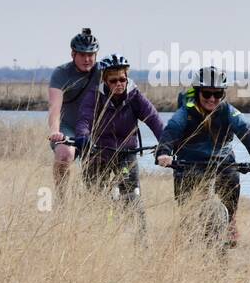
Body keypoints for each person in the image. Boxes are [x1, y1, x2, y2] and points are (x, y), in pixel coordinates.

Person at [155, 67, 250, 247]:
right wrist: (164, 153)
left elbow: (245, 130)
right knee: (187, 210)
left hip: (221, 160)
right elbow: (171, 130)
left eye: (218, 94)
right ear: (198, 92)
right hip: (189, 162)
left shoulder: (228, 111)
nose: (212, 99)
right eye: (207, 93)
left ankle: (230, 220)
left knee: (232, 179)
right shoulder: (186, 111)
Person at [74, 54, 165, 202]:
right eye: (113, 80)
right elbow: (85, 119)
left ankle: (135, 223)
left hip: (127, 152)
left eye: (122, 79)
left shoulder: (135, 96)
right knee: (94, 195)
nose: (119, 84)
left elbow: (154, 119)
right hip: (99, 151)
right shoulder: (95, 95)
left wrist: (165, 143)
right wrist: (83, 136)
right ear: (105, 80)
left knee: (131, 194)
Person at [47, 28, 102, 190]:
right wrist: (55, 131)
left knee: (100, 164)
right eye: (82, 55)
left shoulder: (103, 71)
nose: (87, 59)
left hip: (94, 128)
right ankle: (61, 199)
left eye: (90, 55)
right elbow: (54, 107)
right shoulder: (61, 73)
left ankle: (93, 199)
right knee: (65, 154)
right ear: (73, 55)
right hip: (67, 127)